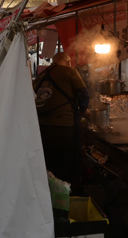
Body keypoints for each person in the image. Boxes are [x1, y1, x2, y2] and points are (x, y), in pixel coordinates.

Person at [34, 51, 89, 185]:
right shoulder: (69, 71)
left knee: (48, 165)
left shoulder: (41, 75)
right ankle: (66, 195)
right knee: (65, 165)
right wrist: (84, 111)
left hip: (41, 127)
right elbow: (83, 96)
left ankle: (49, 195)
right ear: (67, 62)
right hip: (63, 126)